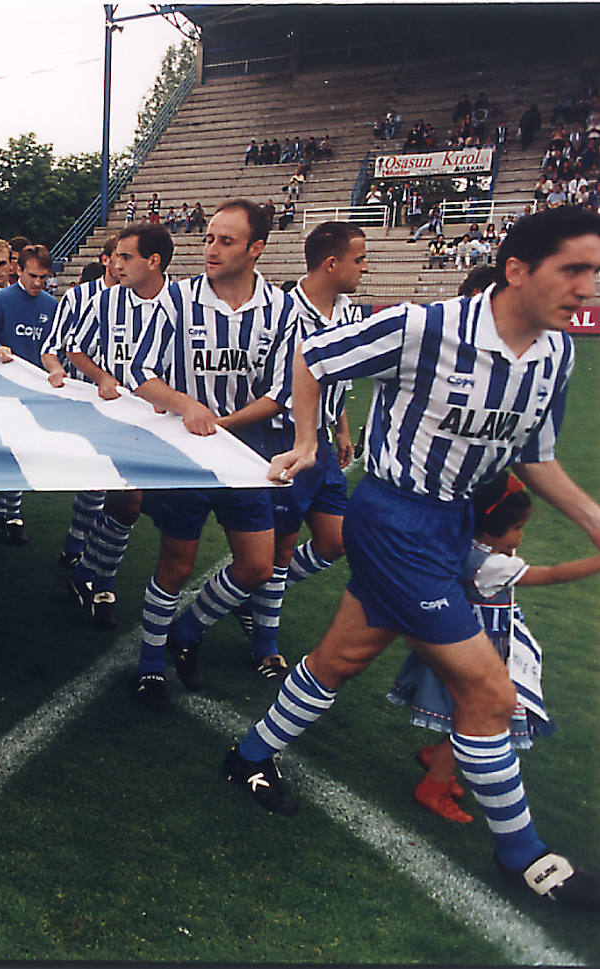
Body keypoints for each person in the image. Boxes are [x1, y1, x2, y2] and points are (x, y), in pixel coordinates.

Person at [225, 205, 600, 910]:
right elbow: (315, 357)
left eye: (595, 272)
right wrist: (307, 442)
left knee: (340, 657)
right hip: (394, 518)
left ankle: (246, 755)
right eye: (573, 269)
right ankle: (529, 857)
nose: (588, 287)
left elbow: (534, 454)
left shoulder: (556, 354)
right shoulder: (424, 328)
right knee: (490, 692)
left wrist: (591, 517)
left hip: (450, 524)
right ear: (517, 270)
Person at [127, 199, 298, 710]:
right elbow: (141, 372)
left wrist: (221, 423)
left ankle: (187, 629)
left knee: (257, 567)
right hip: (188, 455)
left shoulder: (282, 308)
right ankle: (151, 662)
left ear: (256, 249)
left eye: (226, 241)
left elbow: (283, 391)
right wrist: (185, 405)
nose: (212, 248)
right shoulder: (178, 300)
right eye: (208, 239)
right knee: (177, 564)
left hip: (248, 456)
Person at [387, 472, 600, 823]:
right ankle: (434, 786)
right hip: (481, 650)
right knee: (478, 716)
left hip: (459, 640)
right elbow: (552, 575)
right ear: (488, 531)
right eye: (516, 529)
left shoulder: (464, 545)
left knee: (466, 709)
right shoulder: (492, 566)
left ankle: (438, 762)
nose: (521, 536)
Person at [236, 223, 367, 679]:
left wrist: (341, 425)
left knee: (337, 540)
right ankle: (265, 644)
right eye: (359, 260)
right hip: (284, 438)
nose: (365, 268)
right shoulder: (282, 311)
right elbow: (268, 382)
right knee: (284, 544)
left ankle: (256, 598)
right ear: (331, 263)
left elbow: (338, 375)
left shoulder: (349, 311)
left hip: (324, 442)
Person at [64, 224, 173, 628]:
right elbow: (73, 346)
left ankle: (87, 566)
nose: (116, 263)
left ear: (153, 261)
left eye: (125, 256)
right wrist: (103, 377)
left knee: (142, 505)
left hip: (163, 419)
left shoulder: (180, 303)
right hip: (114, 414)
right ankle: (98, 577)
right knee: (128, 499)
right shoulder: (107, 301)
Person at [0, 244, 59, 545]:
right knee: (4, 447)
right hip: (1, 389)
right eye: (32, 276)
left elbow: (56, 346)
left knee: (22, 449)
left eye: (43, 278)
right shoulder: (1, 300)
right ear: (17, 270)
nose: (37, 283)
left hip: (34, 391)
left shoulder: (50, 304)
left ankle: (11, 511)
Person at [42, 236, 119, 577]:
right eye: (120, 257)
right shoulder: (79, 297)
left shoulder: (150, 299)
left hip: (129, 401)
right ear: (106, 259)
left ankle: (85, 551)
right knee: (96, 478)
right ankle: (77, 546)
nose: (123, 265)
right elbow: (52, 346)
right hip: (85, 398)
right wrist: (57, 369)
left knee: (114, 486)